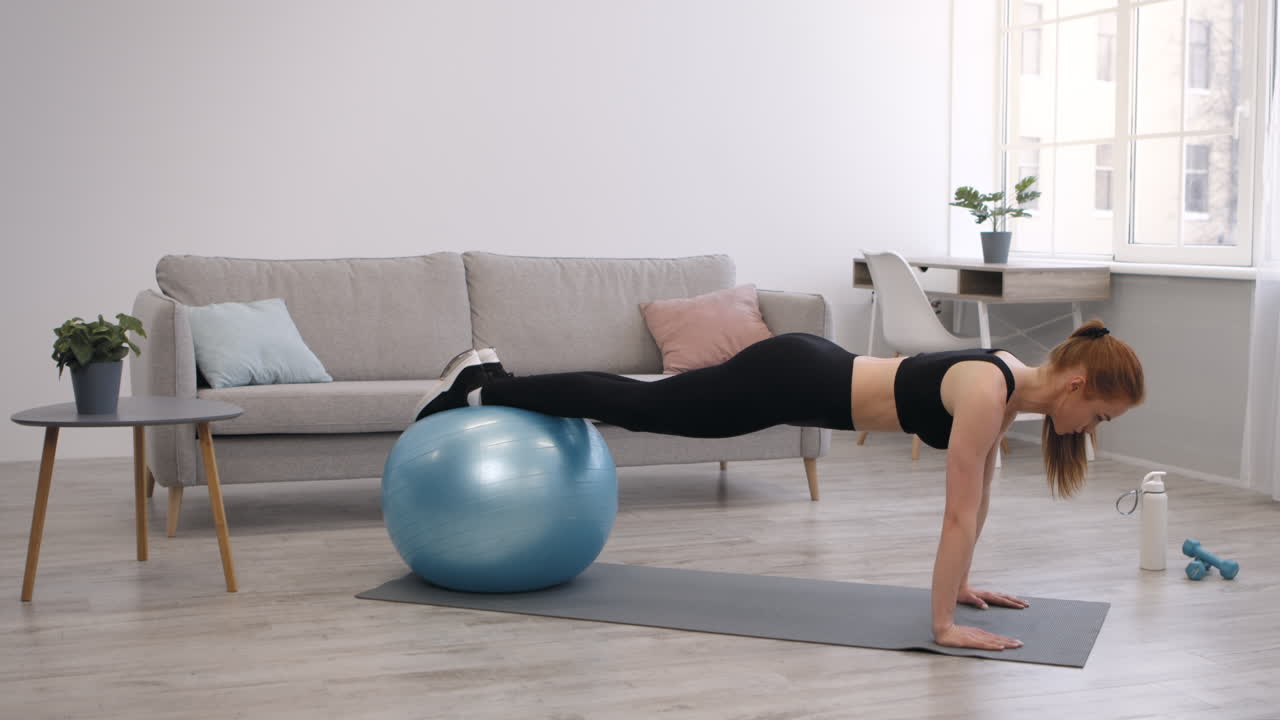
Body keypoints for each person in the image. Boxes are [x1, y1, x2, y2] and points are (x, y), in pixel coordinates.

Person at [411, 320, 1145, 652]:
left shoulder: (1009, 385)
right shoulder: (990, 391)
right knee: (646, 407)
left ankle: (493, 381)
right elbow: (956, 516)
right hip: (792, 379)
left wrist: (962, 589)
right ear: (1077, 384)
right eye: (1101, 415)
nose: (1092, 428)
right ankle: (486, 385)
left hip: (809, 370)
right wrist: (943, 627)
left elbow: (976, 503)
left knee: (648, 404)